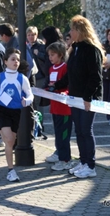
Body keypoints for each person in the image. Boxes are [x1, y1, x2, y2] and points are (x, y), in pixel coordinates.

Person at [53, 15, 104, 179]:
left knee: (86, 130)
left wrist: (88, 97)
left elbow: (95, 76)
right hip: (75, 97)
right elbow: (71, 74)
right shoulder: (74, 49)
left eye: (73, 29)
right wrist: (57, 85)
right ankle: (83, 161)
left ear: (80, 30)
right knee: (79, 131)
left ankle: (90, 165)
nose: (70, 32)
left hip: (87, 98)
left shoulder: (91, 49)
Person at [0, 48, 34, 182]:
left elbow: (30, 94)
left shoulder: (22, 78)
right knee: (8, 138)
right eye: (13, 59)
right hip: (2, 110)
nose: (16, 62)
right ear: (5, 61)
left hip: (16, 112)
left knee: (11, 141)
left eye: (18, 60)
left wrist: (27, 101)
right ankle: (11, 170)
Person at [44, 42, 74, 171]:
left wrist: (64, 93)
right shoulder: (51, 69)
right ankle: (59, 155)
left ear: (60, 55)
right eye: (49, 55)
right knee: (57, 134)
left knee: (64, 136)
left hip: (65, 109)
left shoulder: (65, 67)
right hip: (55, 107)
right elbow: (51, 85)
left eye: (53, 55)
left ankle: (66, 159)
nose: (50, 57)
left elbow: (68, 86)